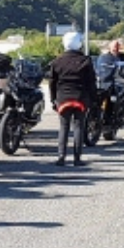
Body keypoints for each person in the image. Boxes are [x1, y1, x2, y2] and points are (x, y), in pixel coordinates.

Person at [48, 32, 98, 166]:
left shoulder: (57, 61)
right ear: (79, 44)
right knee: (78, 126)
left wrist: (53, 99)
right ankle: (77, 158)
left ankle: (61, 156)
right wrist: (94, 99)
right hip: (80, 98)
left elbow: (52, 83)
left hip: (63, 98)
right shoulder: (85, 61)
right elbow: (91, 82)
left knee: (63, 127)